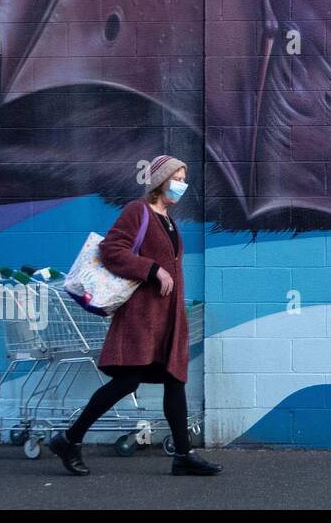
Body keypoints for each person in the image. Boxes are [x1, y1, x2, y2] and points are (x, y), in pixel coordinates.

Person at [49, 155, 221, 476]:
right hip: (141, 318)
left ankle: (183, 456)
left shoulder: (169, 220)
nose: (182, 185)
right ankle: (70, 439)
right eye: (177, 178)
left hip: (167, 320)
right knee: (126, 381)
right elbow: (112, 250)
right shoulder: (137, 211)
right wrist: (151, 269)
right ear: (160, 181)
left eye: (185, 179)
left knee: (174, 381)